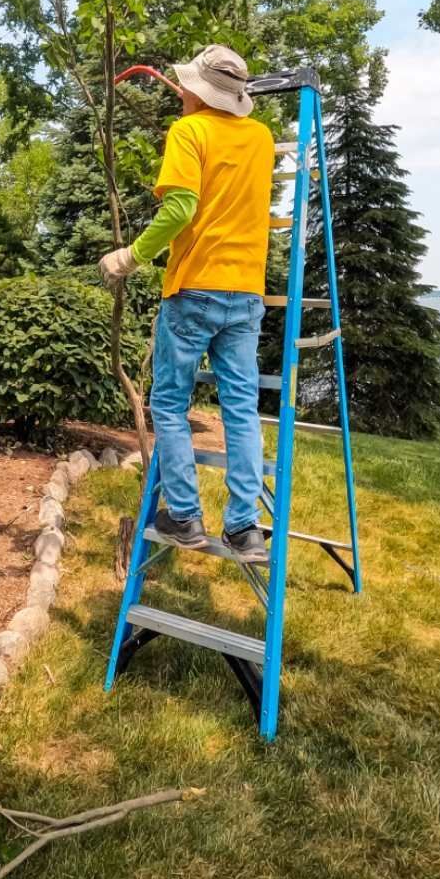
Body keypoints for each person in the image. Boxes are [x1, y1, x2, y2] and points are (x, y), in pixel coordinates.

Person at [99, 44, 275, 562]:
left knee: (170, 405)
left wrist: (130, 257)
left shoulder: (188, 132)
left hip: (195, 287)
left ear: (197, 91)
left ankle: (184, 516)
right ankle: (244, 529)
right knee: (241, 409)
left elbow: (180, 207)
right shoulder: (261, 138)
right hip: (246, 292)